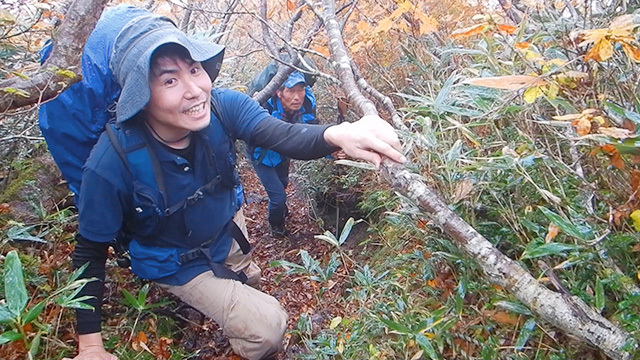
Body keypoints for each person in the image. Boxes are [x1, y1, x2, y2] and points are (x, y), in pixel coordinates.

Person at [63, 10, 405, 360]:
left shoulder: (222, 105)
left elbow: (280, 134)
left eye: (194, 70)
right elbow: (89, 253)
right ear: (140, 95)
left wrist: (338, 134)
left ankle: (237, 293)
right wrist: (90, 345)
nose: (194, 90)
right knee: (268, 329)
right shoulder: (110, 162)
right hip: (176, 261)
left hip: (227, 226)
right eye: (169, 81)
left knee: (249, 278)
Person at [247, 71, 317, 237]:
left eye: (301, 90)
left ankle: (280, 209)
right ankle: (276, 227)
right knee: (278, 197)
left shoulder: (306, 104)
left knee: (283, 184)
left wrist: (332, 150)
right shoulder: (263, 105)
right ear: (279, 92)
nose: (297, 97)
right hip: (260, 156)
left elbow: (313, 132)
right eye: (291, 91)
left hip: (283, 153)